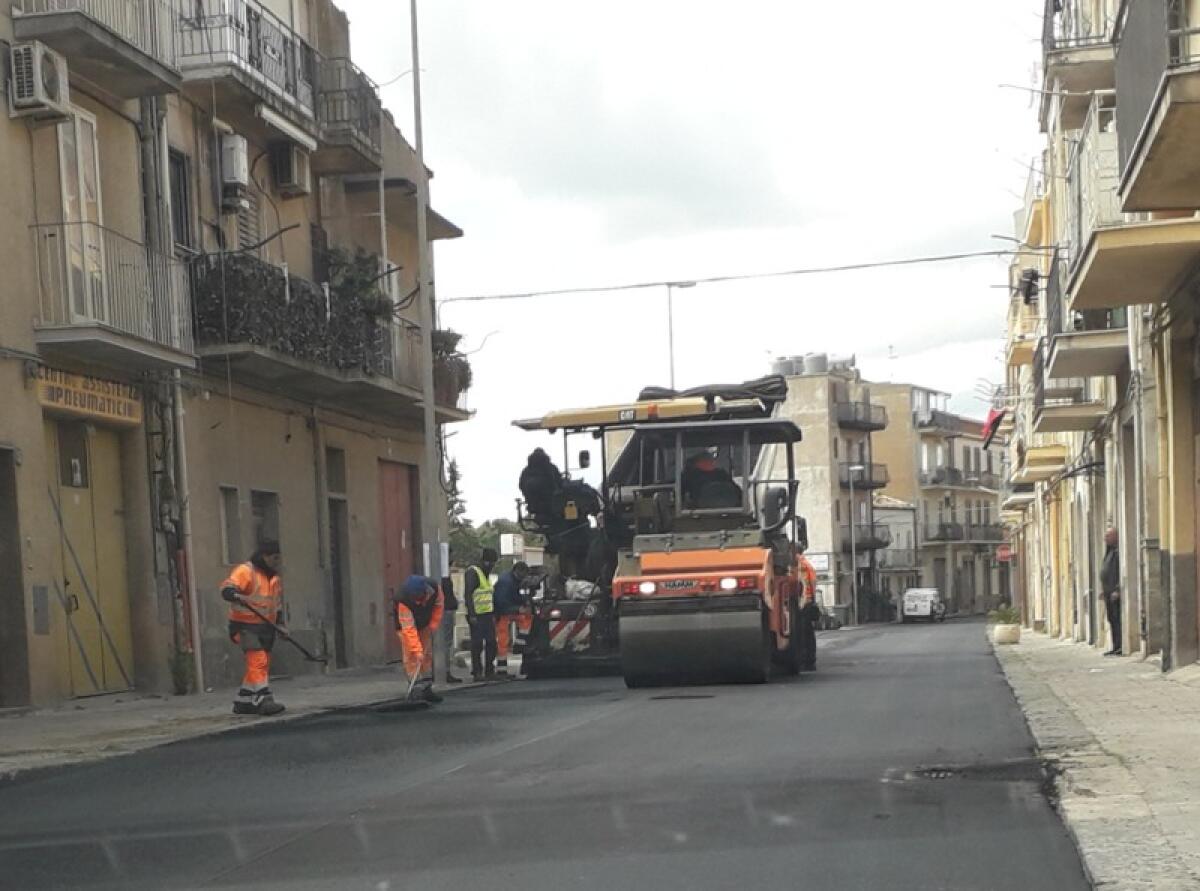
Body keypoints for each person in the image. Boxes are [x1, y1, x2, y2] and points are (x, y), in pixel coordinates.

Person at [220, 540, 286, 716]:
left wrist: (280, 625)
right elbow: (227, 588)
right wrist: (233, 594)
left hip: (266, 627)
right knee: (258, 659)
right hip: (244, 625)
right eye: (275, 558)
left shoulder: (274, 579)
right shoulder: (246, 571)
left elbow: (276, 605)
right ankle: (264, 697)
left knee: (261, 664)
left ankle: (244, 700)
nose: (277, 562)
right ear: (264, 556)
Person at [394, 575, 445, 703]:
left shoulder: (434, 589)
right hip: (405, 626)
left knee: (426, 654)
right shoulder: (403, 599)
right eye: (415, 600)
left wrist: (434, 624)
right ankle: (415, 689)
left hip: (425, 622)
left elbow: (439, 606)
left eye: (419, 599)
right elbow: (409, 628)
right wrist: (417, 651)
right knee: (412, 654)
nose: (418, 602)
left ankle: (426, 688)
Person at [465, 548, 498, 681]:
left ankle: (489, 671)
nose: (492, 566)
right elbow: (468, 595)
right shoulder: (473, 572)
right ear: (485, 561)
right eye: (491, 562)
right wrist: (471, 614)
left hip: (487, 615)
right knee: (477, 644)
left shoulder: (486, 574)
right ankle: (477, 672)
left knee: (491, 643)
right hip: (477, 616)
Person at [493, 562, 532, 676]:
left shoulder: (513, 580)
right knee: (503, 640)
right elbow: (501, 602)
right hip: (501, 613)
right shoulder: (506, 582)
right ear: (518, 572)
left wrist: (524, 602)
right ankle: (501, 669)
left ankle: (519, 643)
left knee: (527, 617)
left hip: (509, 610)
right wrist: (518, 608)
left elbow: (515, 596)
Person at [796, 553, 821, 671]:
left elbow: (812, 582)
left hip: (804, 601)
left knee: (805, 632)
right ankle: (809, 661)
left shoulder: (802, 565)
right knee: (807, 632)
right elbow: (813, 582)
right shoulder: (806, 565)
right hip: (807, 600)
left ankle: (808, 660)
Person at [1100, 527, 1122, 656]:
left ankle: (1120, 645)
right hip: (1108, 593)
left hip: (1114, 594)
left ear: (1115, 537)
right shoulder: (1109, 552)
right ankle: (1115, 645)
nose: (1105, 539)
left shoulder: (1118, 552)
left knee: (1117, 619)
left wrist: (1117, 589)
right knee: (1111, 619)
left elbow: (1119, 572)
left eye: (1108, 536)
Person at [438, 575, 463, 684]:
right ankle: (445, 672)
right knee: (446, 643)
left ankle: (444, 671)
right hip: (446, 611)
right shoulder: (442, 577)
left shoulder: (442, 577)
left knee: (446, 643)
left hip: (447, 610)